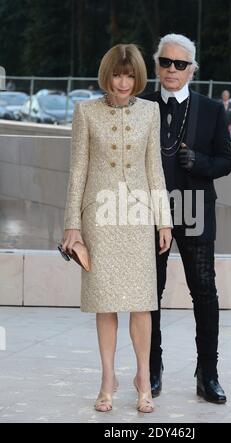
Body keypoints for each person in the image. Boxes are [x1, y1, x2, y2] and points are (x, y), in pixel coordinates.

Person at [61, 44, 173, 413]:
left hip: (138, 215)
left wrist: (164, 220)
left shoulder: (151, 111)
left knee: (142, 303)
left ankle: (143, 379)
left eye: (129, 75)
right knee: (105, 304)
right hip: (100, 217)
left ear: (138, 76)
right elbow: (77, 172)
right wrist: (72, 226)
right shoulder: (85, 112)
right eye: (116, 74)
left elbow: (155, 169)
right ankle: (108, 379)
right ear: (106, 75)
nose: (123, 82)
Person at [143, 34, 231, 404]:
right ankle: (152, 367)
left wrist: (198, 162)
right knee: (149, 294)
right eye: (166, 62)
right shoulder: (142, 106)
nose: (172, 70)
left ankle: (208, 373)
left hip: (195, 208)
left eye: (180, 64)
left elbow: (226, 161)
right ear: (156, 64)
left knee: (205, 293)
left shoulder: (211, 110)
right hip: (151, 212)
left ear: (192, 70)